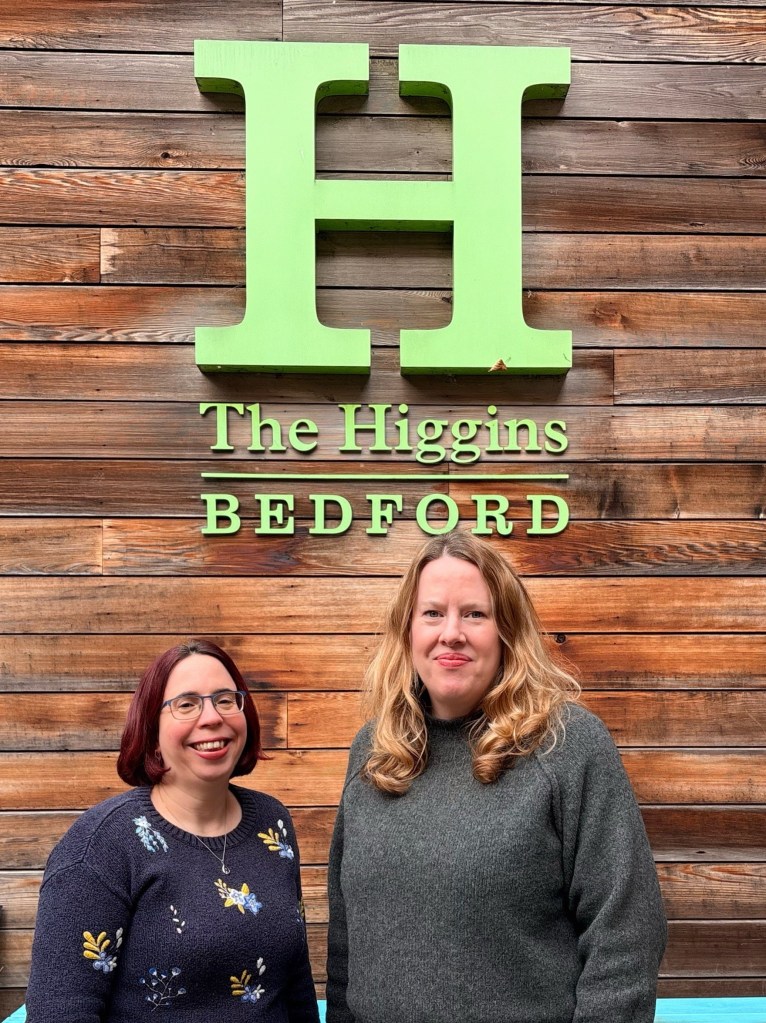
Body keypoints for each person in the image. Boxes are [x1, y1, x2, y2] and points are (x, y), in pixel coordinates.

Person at [327, 531, 667, 1023]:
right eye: (432, 613)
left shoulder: (566, 745)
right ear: (407, 632)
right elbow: (348, 940)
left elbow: (627, 931)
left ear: (507, 631)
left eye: (474, 613)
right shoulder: (375, 750)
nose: (451, 633)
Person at [26, 639, 320, 1023]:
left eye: (226, 699)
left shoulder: (271, 822)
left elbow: (295, 983)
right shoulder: (101, 847)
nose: (212, 717)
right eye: (186, 704)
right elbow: (60, 1012)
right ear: (151, 730)